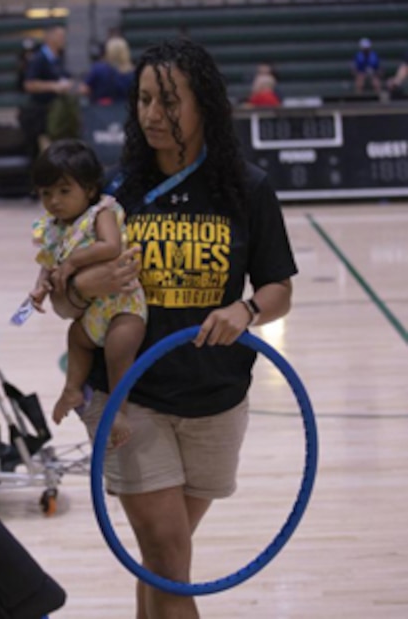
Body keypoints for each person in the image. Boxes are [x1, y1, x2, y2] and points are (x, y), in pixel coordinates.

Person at [51, 38, 297, 618]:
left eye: (168, 101)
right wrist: (82, 287)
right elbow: (63, 306)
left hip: (216, 396)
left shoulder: (247, 188)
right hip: (131, 400)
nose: (153, 115)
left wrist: (247, 310)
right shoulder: (113, 193)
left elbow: (280, 289)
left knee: (165, 561)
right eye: (142, 100)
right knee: (166, 553)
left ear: (204, 104)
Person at [27, 139, 147, 449]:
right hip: (92, 312)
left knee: (119, 348)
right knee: (77, 338)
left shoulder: (101, 212)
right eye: (46, 193)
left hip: (123, 304)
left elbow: (110, 246)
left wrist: (73, 261)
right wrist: (41, 287)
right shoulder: (52, 229)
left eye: (64, 191)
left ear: (90, 190)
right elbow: (48, 264)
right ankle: (72, 389)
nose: (54, 201)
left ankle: (118, 411)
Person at [21, 25, 73, 153]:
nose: (63, 40)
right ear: (50, 38)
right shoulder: (38, 59)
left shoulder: (58, 58)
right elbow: (29, 84)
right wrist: (53, 86)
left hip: (58, 112)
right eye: (61, 37)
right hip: (42, 112)